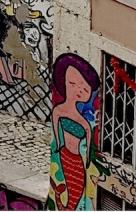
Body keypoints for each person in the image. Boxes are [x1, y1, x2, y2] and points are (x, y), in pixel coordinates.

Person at [50, 54, 100, 211]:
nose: (79, 90)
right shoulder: (58, 110)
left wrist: (87, 159)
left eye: (85, 89)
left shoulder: (83, 121)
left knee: (76, 192)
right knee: (71, 191)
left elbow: (89, 137)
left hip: (77, 160)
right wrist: (58, 145)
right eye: (72, 83)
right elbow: (56, 128)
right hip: (65, 155)